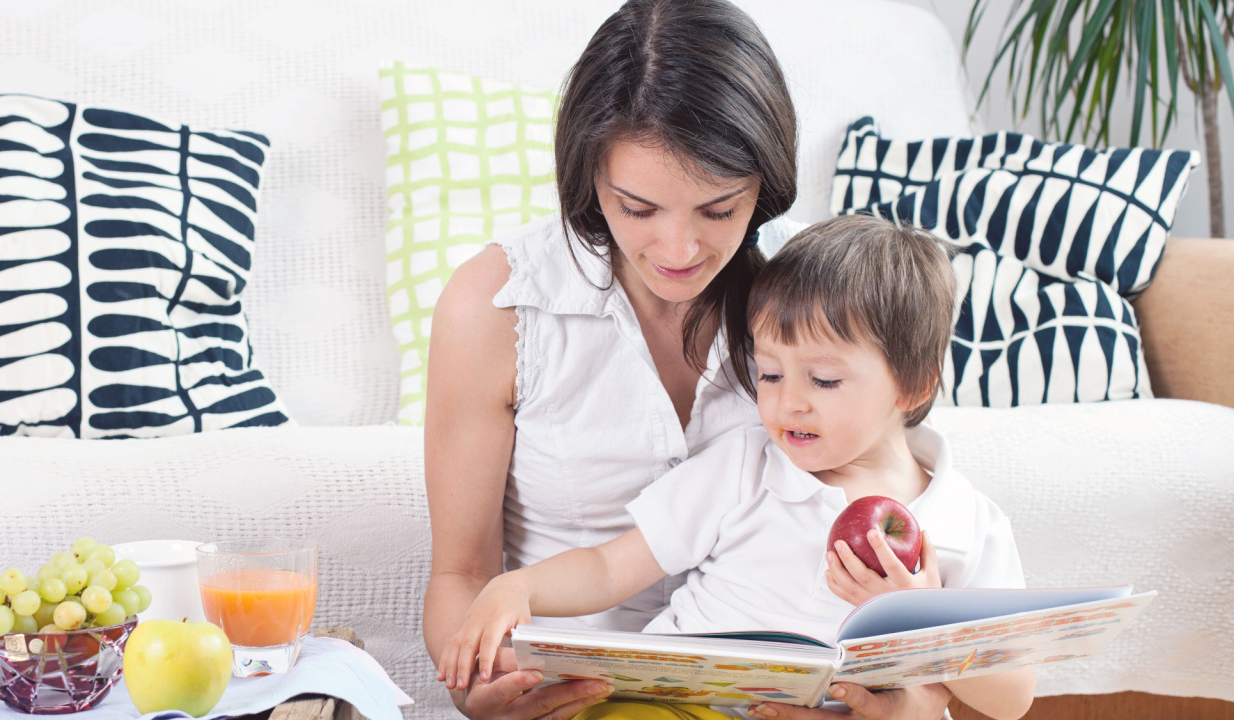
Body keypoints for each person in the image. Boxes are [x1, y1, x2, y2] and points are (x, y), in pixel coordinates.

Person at [422, 0, 954, 718]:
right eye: (638, 209)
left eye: (718, 210)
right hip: (580, 700)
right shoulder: (498, 305)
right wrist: (481, 691)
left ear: (764, 187)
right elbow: (461, 572)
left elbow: (899, 500)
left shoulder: (814, 293)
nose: (679, 252)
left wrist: (901, 704)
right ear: (589, 182)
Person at [437, 214, 1038, 720]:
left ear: (912, 385)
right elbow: (610, 566)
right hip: (679, 704)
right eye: (770, 373)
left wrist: (923, 620)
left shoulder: (967, 523)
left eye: (824, 380)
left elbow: (1013, 697)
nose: (786, 402)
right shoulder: (749, 463)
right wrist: (516, 587)